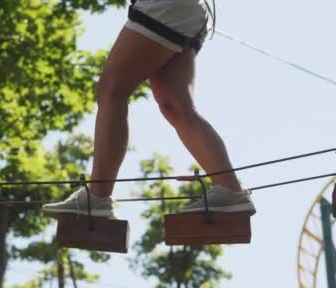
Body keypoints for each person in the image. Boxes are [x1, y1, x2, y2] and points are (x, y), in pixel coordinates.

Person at [43, 0, 255, 218]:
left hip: (166, 6)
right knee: (175, 106)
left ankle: (97, 198)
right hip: (192, 12)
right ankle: (230, 191)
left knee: (111, 91)